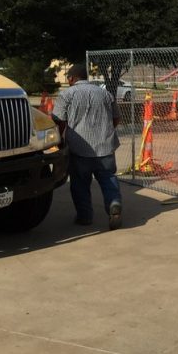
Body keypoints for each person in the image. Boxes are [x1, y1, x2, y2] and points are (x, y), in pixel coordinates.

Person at [53, 63, 123, 230]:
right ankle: (114, 204)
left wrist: (62, 139)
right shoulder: (105, 93)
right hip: (105, 148)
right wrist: (105, 133)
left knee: (79, 184)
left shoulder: (67, 95)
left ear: (71, 78)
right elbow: (117, 118)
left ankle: (85, 217)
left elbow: (58, 119)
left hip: (79, 149)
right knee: (108, 179)